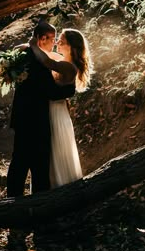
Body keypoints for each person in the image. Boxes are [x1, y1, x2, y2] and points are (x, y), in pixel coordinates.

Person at [6, 21, 75, 197]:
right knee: (39, 164)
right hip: (36, 120)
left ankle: (13, 200)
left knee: (19, 162)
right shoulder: (38, 62)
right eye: (52, 38)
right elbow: (51, 92)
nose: (54, 43)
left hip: (22, 117)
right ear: (41, 38)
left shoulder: (24, 55)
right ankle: (39, 202)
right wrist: (69, 90)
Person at [29, 28, 92, 188]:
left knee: (55, 148)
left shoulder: (69, 67)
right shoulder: (62, 59)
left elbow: (47, 62)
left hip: (56, 112)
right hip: (53, 109)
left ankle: (58, 186)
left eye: (61, 41)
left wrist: (33, 45)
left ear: (71, 47)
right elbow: (45, 56)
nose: (57, 42)